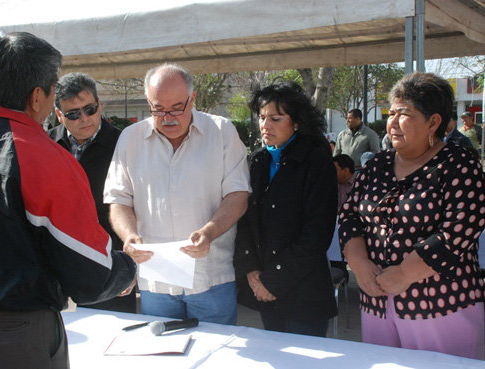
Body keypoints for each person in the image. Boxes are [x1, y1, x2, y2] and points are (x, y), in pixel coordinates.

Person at [0, 32, 136, 369]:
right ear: (38, 95)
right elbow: (89, 275)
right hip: (12, 332)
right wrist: (126, 269)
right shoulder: (43, 156)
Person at [338, 72, 485, 360]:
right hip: (377, 301)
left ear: (433, 122)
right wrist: (359, 262)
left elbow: (460, 230)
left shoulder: (459, 163)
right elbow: (349, 215)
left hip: (441, 305)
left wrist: (405, 274)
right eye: (391, 112)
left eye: (403, 114)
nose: (391, 122)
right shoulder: (377, 164)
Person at [104, 63, 250, 325]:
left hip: (211, 277)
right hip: (156, 280)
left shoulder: (222, 132)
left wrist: (209, 232)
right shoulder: (130, 138)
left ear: (193, 99)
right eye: (158, 109)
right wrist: (129, 237)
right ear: (148, 100)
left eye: (177, 108)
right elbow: (118, 200)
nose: (168, 117)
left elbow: (238, 196)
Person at [234, 81, 338, 336]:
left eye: (276, 118)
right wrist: (250, 270)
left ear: (297, 122)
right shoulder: (258, 160)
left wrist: (274, 281)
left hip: (304, 296)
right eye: (262, 117)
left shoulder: (317, 164)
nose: (265, 125)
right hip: (264, 290)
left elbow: (317, 234)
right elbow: (245, 219)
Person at [49, 72, 136, 313]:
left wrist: (130, 265)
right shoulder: (46, 146)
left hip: (110, 267)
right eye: (73, 114)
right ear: (58, 115)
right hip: (58, 269)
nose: (84, 118)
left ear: (100, 104)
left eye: (90, 109)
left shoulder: (125, 143)